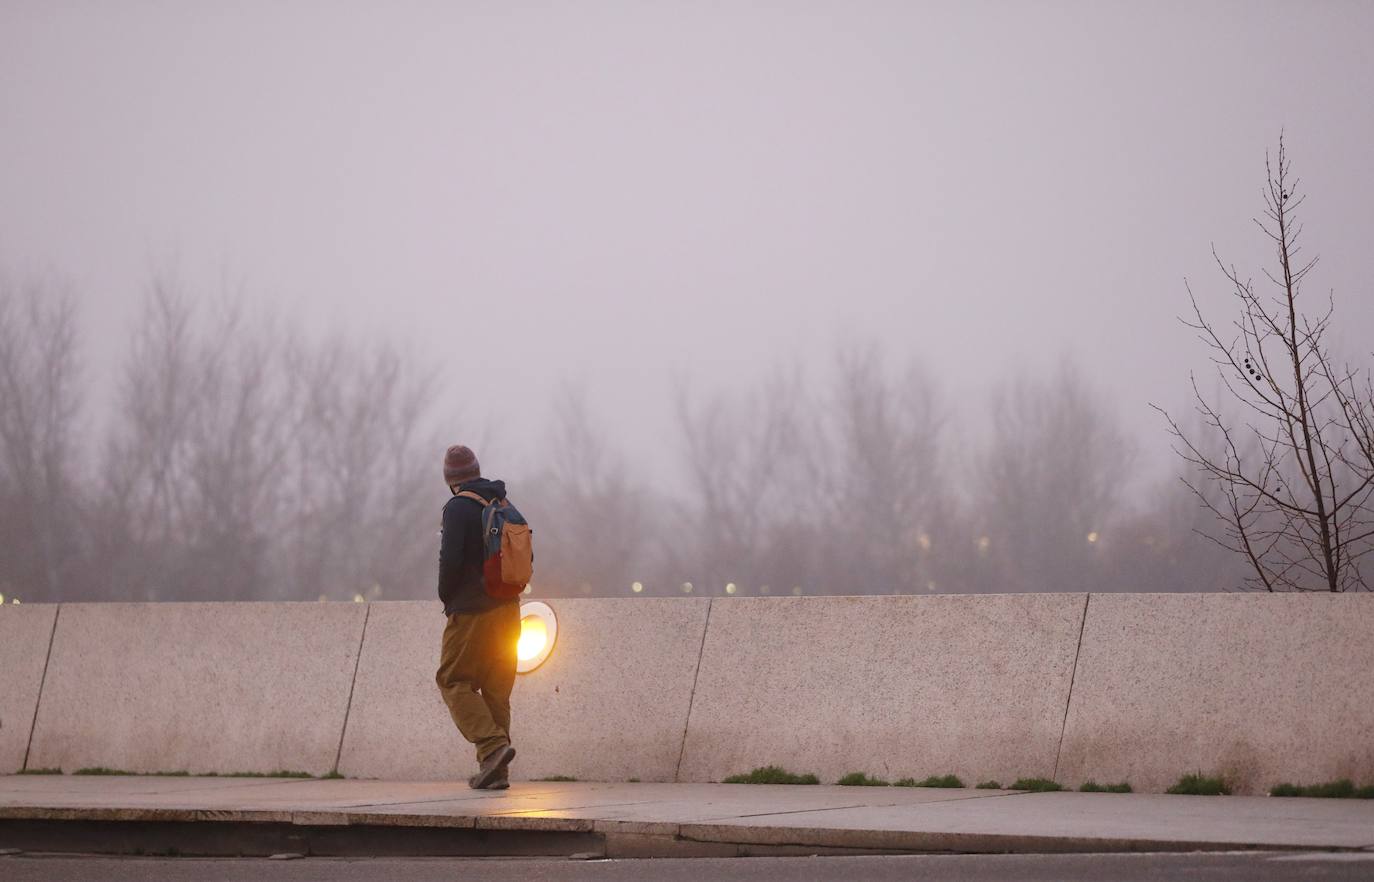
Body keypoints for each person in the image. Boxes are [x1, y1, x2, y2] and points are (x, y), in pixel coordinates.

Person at [434, 444, 521, 790]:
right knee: (496, 689)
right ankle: (496, 771)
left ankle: (493, 747)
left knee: (453, 680)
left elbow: (449, 562)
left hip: (472, 612)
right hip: (509, 608)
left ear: (450, 479)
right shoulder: (502, 501)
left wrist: (447, 597)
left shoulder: (458, 507)